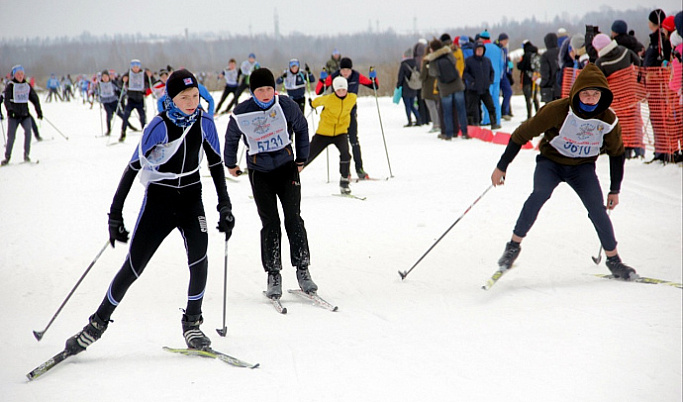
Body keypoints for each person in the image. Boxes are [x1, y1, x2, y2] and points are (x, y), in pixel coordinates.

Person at [63, 69, 234, 355]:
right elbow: (132, 168)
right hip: (160, 202)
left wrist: (224, 206)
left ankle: (192, 323)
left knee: (200, 259)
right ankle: (96, 324)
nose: (192, 102)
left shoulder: (204, 121)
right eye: (184, 97)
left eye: (195, 96)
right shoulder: (159, 125)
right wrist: (115, 215)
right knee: (133, 267)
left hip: (192, 199)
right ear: (171, 98)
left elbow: (216, 164)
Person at [490, 63, 636, 280]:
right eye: (585, 93)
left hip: (582, 168)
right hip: (552, 163)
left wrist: (615, 189)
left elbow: (617, 153)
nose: (589, 98)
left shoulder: (608, 120)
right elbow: (521, 135)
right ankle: (513, 247)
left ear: (602, 95)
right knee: (539, 194)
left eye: (595, 94)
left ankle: (614, 260)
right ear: (577, 92)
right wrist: (501, 166)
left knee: (597, 208)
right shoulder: (557, 110)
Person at [223, 68, 314, 299]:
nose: (265, 94)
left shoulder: (286, 105)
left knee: (293, 217)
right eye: (260, 90)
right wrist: (231, 163)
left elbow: (302, 128)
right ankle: (274, 274)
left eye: (269, 89)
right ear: (253, 92)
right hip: (260, 172)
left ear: (275, 89)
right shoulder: (242, 112)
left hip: (286, 168)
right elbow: (231, 137)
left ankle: (303, 269)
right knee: (270, 222)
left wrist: (302, 158)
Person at [315, 57, 376, 179]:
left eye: (348, 70)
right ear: (340, 69)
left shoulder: (356, 76)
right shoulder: (334, 76)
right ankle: (346, 173)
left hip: (350, 113)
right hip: (335, 117)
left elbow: (373, 86)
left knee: (354, 141)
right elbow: (319, 91)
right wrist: (322, 80)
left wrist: (373, 78)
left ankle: (360, 169)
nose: (345, 73)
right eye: (343, 70)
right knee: (344, 146)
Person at [307, 76, 357, 194]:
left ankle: (344, 181)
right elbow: (316, 102)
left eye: (343, 90)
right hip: (324, 133)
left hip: (341, 133)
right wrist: (312, 104)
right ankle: (288, 179)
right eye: (338, 90)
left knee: (346, 154)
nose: (341, 92)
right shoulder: (328, 99)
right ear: (334, 90)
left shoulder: (352, 98)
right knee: (307, 157)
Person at [427, 38, 468, 139]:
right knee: (461, 110)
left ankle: (448, 134)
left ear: (432, 49)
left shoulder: (433, 59)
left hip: (445, 88)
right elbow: (454, 62)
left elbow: (433, 73)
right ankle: (464, 132)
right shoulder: (448, 53)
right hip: (457, 84)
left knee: (447, 112)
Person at [2, 65, 43, 165]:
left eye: (22, 74)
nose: (20, 76)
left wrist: (39, 111)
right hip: (13, 116)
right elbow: (6, 100)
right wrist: (9, 110)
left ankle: (26, 155)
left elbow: (34, 98)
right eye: (18, 74)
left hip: (25, 115)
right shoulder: (10, 86)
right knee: (11, 137)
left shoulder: (27, 85)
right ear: (14, 75)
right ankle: (7, 157)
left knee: (28, 133)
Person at [463, 41, 499, 129]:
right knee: (472, 108)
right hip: (473, 89)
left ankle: (494, 123)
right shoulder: (469, 61)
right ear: (475, 50)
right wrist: (472, 81)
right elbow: (465, 73)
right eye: (478, 49)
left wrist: (490, 80)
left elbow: (492, 71)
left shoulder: (487, 60)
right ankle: (472, 125)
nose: (480, 51)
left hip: (485, 88)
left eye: (481, 49)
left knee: (490, 106)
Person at [120, 59, 150, 142]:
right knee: (126, 116)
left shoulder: (143, 74)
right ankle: (123, 133)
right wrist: (123, 80)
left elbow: (151, 82)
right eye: (134, 67)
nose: (135, 69)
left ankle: (145, 134)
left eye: (137, 67)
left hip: (140, 99)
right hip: (131, 99)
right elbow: (120, 83)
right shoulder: (128, 73)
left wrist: (150, 77)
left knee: (143, 117)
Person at [396, 48, 421, 127]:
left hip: (406, 87)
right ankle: (418, 119)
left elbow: (400, 77)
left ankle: (409, 121)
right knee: (413, 104)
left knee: (407, 105)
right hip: (414, 87)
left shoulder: (404, 64)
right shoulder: (416, 63)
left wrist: (398, 86)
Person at [517, 40, 541, 119]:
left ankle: (529, 117)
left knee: (528, 99)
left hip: (526, 79)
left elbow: (520, 66)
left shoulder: (526, 55)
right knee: (535, 98)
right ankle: (538, 115)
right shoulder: (536, 54)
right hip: (535, 79)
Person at [420, 46, 441, 133]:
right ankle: (440, 123)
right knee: (437, 106)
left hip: (428, 86)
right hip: (438, 85)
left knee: (431, 106)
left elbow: (423, 75)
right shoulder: (439, 59)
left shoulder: (427, 61)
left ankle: (436, 124)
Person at [96, 70, 122, 136]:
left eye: (106, 76)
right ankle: (109, 130)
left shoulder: (112, 83)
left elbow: (119, 89)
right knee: (108, 114)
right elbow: (97, 91)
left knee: (120, 114)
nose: (105, 78)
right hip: (105, 101)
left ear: (108, 77)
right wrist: (98, 96)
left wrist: (120, 94)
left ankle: (127, 125)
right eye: (103, 77)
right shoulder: (99, 84)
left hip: (114, 100)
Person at [496, 33, 514, 119]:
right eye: (505, 41)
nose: (507, 42)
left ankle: (505, 111)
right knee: (496, 94)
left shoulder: (505, 50)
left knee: (508, 92)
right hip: (497, 75)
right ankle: (499, 112)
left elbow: (506, 62)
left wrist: (509, 72)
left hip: (504, 75)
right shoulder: (497, 48)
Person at [540, 33, 561, 103]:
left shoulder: (545, 56)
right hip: (563, 87)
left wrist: (542, 85)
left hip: (550, 89)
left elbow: (545, 74)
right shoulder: (561, 52)